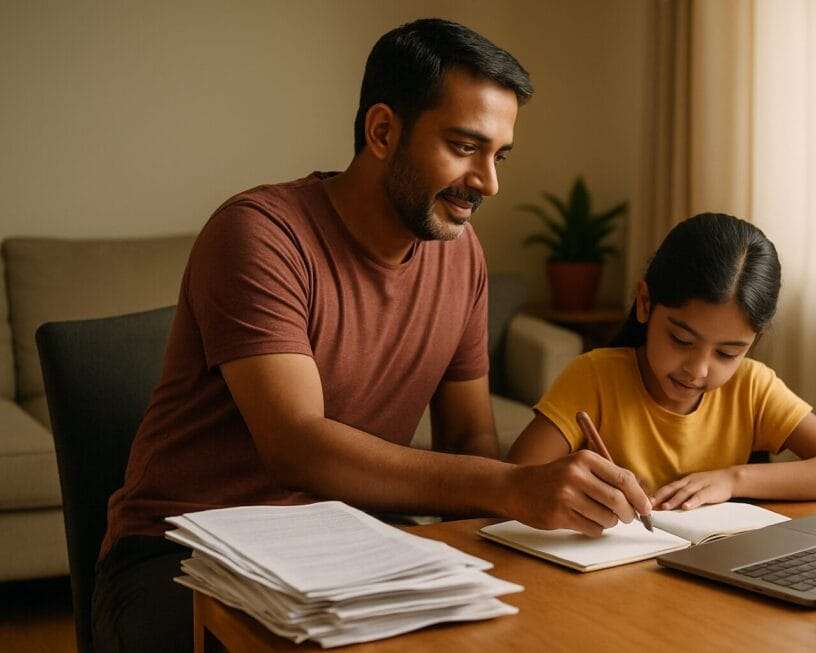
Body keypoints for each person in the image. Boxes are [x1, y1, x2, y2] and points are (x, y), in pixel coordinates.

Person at [92, 18, 652, 652]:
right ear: (382, 131)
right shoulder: (260, 234)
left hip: (355, 549)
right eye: (465, 146)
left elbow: (468, 439)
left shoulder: (460, 253)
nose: (488, 182)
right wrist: (509, 487)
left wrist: (552, 499)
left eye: (498, 156)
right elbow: (296, 446)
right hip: (181, 557)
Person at [508, 213, 816, 512]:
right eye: (681, 340)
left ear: (754, 342)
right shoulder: (595, 377)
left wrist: (733, 479)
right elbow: (516, 481)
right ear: (645, 303)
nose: (698, 370)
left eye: (727, 353)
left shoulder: (752, 387)